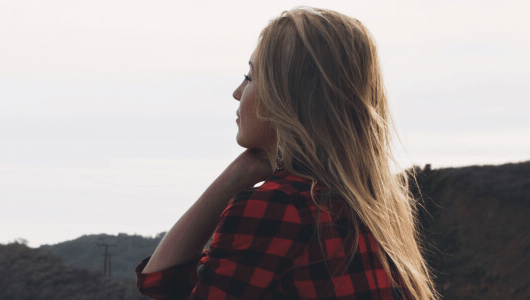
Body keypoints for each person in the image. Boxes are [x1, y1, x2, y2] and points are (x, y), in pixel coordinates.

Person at [135, 7, 438, 300]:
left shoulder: (279, 207)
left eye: (250, 77)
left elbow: (160, 281)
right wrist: (241, 172)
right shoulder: (374, 207)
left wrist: (234, 180)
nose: (237, 92)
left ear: (285, 96)